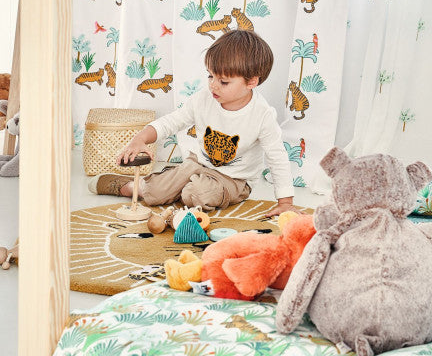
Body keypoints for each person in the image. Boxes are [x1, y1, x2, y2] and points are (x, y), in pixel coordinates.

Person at [89, 30, 296, 217]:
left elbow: (277, 157)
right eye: (210, 76)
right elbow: (172, 121)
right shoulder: (203, 99)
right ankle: (129, 186)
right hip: (197, 165)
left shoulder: (262, 115)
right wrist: (140, 138)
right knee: (154, 192)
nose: (213, 85)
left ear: (251, 82)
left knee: (195, 195)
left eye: (223, 81)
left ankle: (175, 185)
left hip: (234, 180)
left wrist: (285, 202)